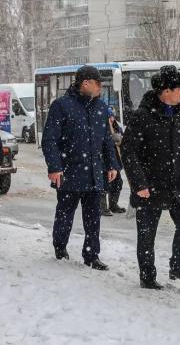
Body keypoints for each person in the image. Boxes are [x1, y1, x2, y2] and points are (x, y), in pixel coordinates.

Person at [121, 65, 180, 290]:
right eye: (178, 89)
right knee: (147, 234)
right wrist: (139, 184)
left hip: (178, 184)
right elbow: (128, 151)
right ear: (165, 91)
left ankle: (176, 266)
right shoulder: (142, 117)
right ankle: (147, 276)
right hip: (150, 185)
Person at [42, 65, 119, 270]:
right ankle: (60, 247)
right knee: (65, 214)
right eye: (98, 84)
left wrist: (112, 164)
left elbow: (106, 140)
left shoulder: (101, 107)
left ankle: (91, 255)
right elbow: (49, 139)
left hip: (94, 173)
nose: (100, 88)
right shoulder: (62, 106)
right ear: (85, 83)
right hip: (68, 173)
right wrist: (55, 167)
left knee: (93, 217)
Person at [100, 107, 126, 216]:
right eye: (109, 116)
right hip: (104, 161)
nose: (111, 119)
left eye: (112, 116)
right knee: (105, 184)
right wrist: (111, 139)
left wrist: (120, 139)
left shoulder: (116, 126)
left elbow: (122, 138)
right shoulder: (100, 126)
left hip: (115, 161)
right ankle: (102, 207)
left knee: (118, 183)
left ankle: (113, 204)